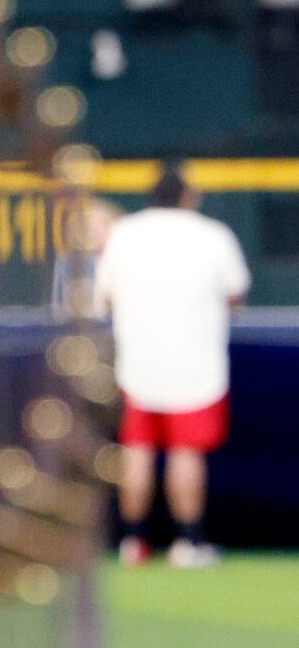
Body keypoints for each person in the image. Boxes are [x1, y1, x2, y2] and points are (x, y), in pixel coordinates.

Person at [96, 162, 248, 568]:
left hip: (138, 364)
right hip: (194, 364)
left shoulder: (124, 235)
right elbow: (235, 293)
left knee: (137, 450)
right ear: (188, 197)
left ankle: (132, 542)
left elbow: (104, 297)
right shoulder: (213, 235)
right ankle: (188, 542)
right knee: (185, 452)